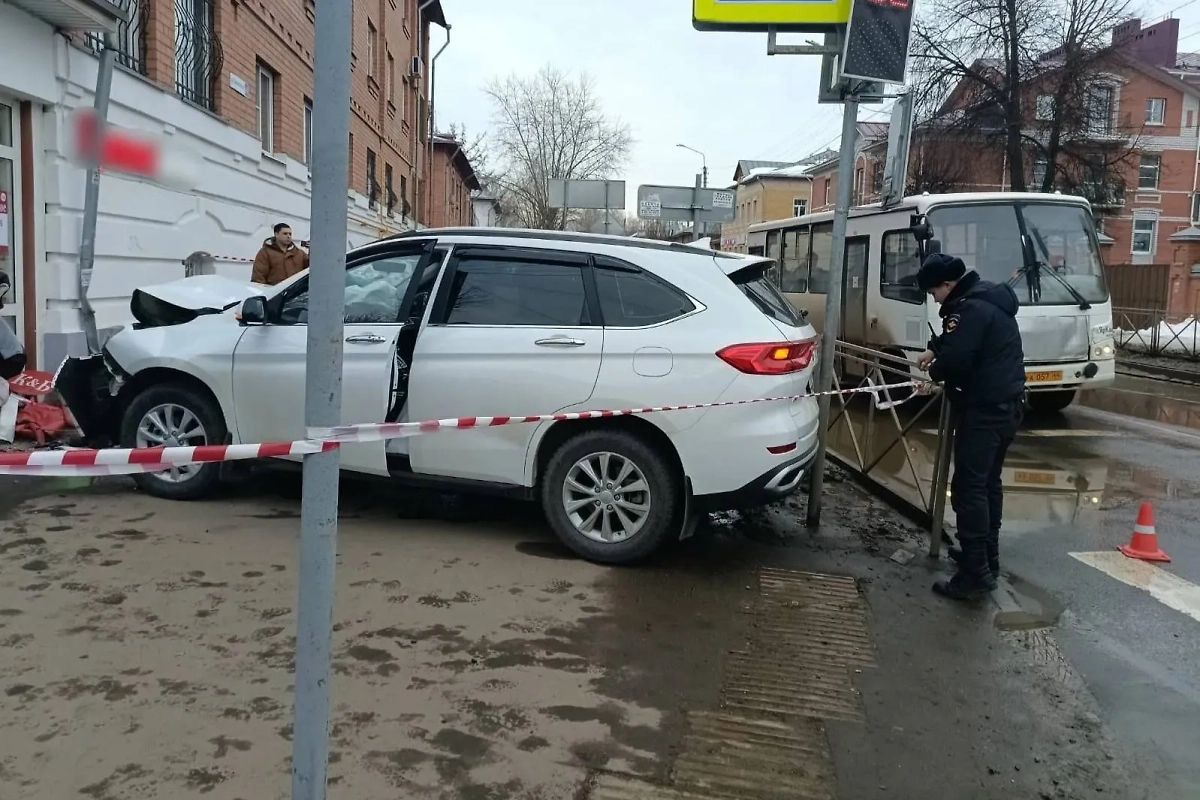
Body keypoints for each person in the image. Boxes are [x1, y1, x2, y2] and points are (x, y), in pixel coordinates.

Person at [915, 253, 1025, 600]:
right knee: (989, 484)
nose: (934, 299)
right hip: (1008, 406)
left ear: (947, 285)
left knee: (969, 489)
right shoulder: (988, 297)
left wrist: (933, 375)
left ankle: (974, 575)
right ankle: (985, 557)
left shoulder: (969, 309)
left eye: (934, 292)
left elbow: (961, 358)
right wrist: (937, 348)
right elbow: (967, 340)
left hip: (983, 410)